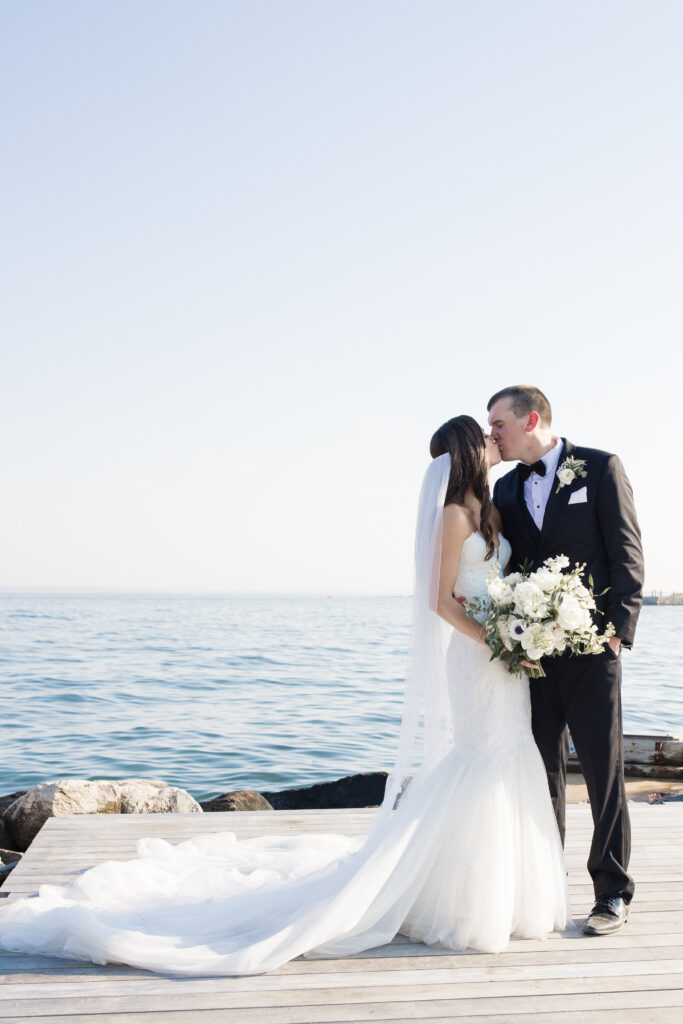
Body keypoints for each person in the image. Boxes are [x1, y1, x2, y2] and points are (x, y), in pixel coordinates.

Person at [0, 416, 568, 976]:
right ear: (470, 450)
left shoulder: (491, 510)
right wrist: (494, 640)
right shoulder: (450, 516)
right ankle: (454, 899)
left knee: (509, 757)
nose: (496, 438)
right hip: (477, 659)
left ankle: (502, 893)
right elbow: (438, 601)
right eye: (487, 433)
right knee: (477, 760)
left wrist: (519, 631)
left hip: (508, 662)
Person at [487, 385, 644, 936]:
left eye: (499, 425)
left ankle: (612, 892)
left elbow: (625, 551)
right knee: (542, 772)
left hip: (592, 648)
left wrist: (617, 633)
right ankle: (544, 887)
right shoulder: (504, 488)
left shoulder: (599, 468)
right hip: (531, 655)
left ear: (532, 419)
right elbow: (504, 568)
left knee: (603, 772)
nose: (494, 435)